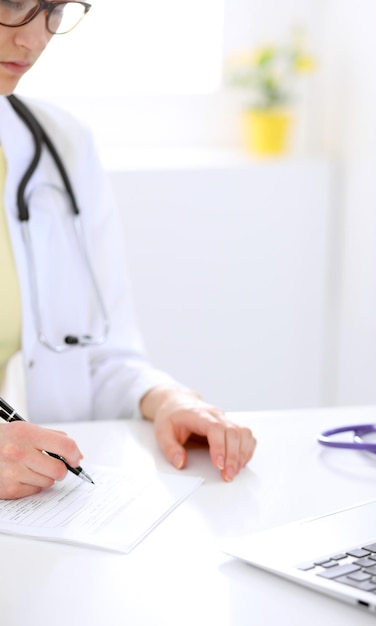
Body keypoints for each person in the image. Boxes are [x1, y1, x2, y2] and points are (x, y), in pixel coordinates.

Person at [0, 0, 256, 500]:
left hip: (51, 513)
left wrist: (167, 400)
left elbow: (99, 351)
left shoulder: (62, 145)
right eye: (14, 3)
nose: (35, 39)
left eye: (53, 10)